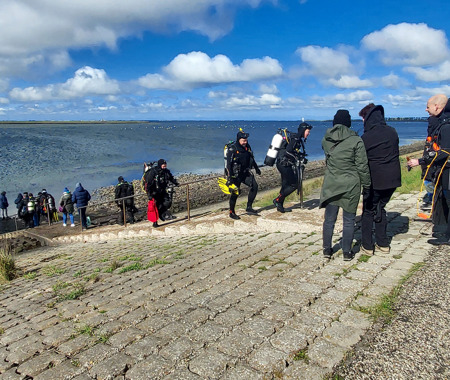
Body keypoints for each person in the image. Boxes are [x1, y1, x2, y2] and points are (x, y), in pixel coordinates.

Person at [320, 110, 371, 261]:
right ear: (348, 123)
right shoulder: (356, 140)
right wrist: (367, 184)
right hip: (351, 184)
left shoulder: (326, 139)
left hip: (331, 184)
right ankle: (347, 252)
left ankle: (327, 249)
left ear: (334, 123)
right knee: (349, 220)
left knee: (329, 219)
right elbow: (362, 165)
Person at [359, 103, 401, 254]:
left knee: (369, 210)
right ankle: (383, 243)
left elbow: (361, 159)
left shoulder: (366, 137)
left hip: (375, 180)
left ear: (368, 118)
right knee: (380, 208)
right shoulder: (392, 132)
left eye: (363, 118)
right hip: (392, 179)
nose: (363, 121)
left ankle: (367, 245)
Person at [410, 94, 450, 245]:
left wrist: (421, 160)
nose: (426, 109)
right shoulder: (441, 123)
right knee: (440, 199)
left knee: (448, 200)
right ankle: (441, 231)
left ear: (437, 107)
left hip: (447, 170)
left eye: (428, 106)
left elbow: (445, 152)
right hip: (442, 170)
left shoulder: (446, 126)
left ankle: (446, 236)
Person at [273, 122, 312, 213]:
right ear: (303, 131)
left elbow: (293, 151)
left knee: (285, 184)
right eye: (308, 131)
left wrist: (300, 155)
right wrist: (299, 158)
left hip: (282, 164)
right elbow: (288, 151)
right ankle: (278, 200)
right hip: (284, 165)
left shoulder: (295, 138)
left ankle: (280, 205)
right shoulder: (295, 138)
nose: (308, 133)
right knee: (294, 185)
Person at [225, 130, 261, 219]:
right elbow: (228, 165)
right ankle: (231, 212)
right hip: (235, 175)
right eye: (243, 140)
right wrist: (229, 177)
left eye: (246, 140)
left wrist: (257, 168)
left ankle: (249, 207)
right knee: (235, 193)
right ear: (238, 140)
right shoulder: (233, 149)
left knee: (254, 186)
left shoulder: (247, 147)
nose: (245, 142)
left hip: (245, 173)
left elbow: (251, 158)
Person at [143, 159, 179, 224]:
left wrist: (176, 183)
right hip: (154, 192)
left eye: (165, 165)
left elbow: (171, 178)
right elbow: (148, 184)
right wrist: (149, 194)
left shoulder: (166, 172)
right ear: (160, 165)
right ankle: (155, 222)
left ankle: (162, 214)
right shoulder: (153, 172)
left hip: (162, 190)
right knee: (155, 207)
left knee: (168, 203)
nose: (164, 167)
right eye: (163, 166)